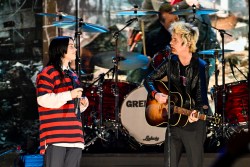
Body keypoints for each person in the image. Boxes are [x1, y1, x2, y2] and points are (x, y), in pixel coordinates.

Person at [144, 21, 209, 167]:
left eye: (175, 40)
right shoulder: (170, 62)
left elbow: (201, 97)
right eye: (171, 38)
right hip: (173, 121)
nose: (170, 42)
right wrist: (155, 94)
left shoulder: (200, 66)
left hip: (193, 125)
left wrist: (197, 112)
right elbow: (148, 79)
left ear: (187, 43)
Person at [36, 36, 89, 167]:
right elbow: (43, 99)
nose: (75, 49)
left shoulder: (73, 75)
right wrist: (69, 95)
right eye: (71, 46)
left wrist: (83, 103)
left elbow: (73, 104)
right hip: (56, 136)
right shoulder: (48, 72)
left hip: (75, 135)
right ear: (60, 49)